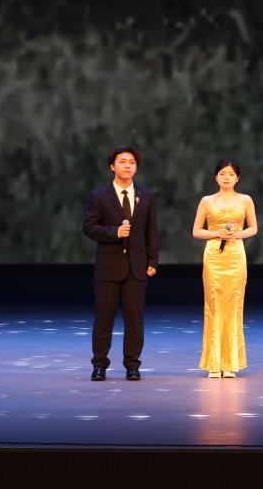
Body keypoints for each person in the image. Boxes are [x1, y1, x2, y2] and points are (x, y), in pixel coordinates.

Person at [82, 147, 160, 382]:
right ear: (112, 166)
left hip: (137, 267)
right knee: (104, 319)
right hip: (108, 267)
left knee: (134, 320)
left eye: (132, 162)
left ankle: (132, 365)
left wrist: (153, 260)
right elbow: (89, 227)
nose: (127, 165)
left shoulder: (146, 196)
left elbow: (151, 231)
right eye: (122, 161)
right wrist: (114, 232)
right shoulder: (99, 196)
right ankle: (99, 365)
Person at [192, 158, 258, 378]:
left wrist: (237, 234)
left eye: (231, 174)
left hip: (235, 255)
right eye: (222, 173)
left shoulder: (245, 200)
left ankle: (230, 363)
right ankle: (214, 363)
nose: (226, 177)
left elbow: (253, 228)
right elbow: (197, 231)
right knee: (213, 304)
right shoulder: (207, 201)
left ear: (237, 178)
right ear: (216, 177)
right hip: (214, 255)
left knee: (234, 304)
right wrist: (217, 233)